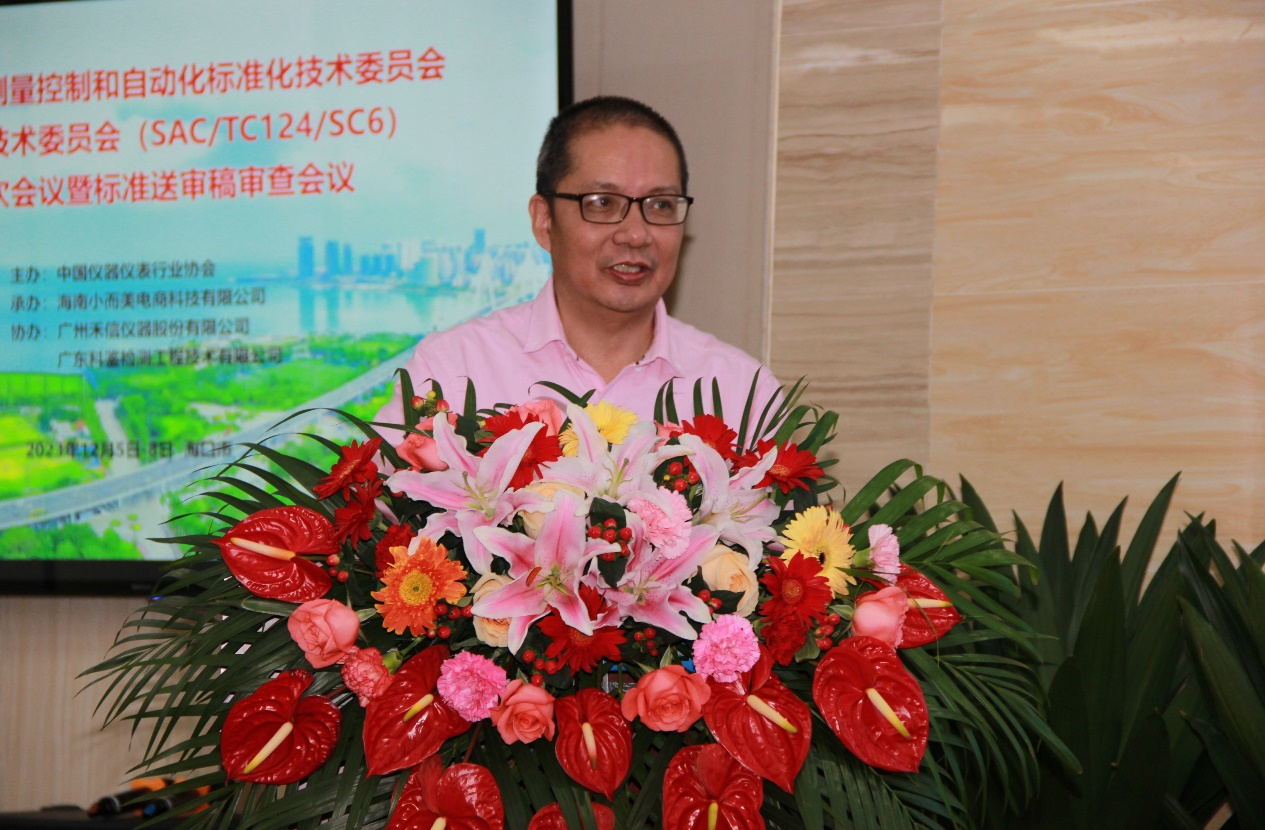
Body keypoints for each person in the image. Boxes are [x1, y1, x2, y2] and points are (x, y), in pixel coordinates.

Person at [374, 96, 780, 442]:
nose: (635, 234)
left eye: (660, 205)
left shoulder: (743, 393)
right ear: (544, 220)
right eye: (602, 203)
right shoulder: (451, 373)